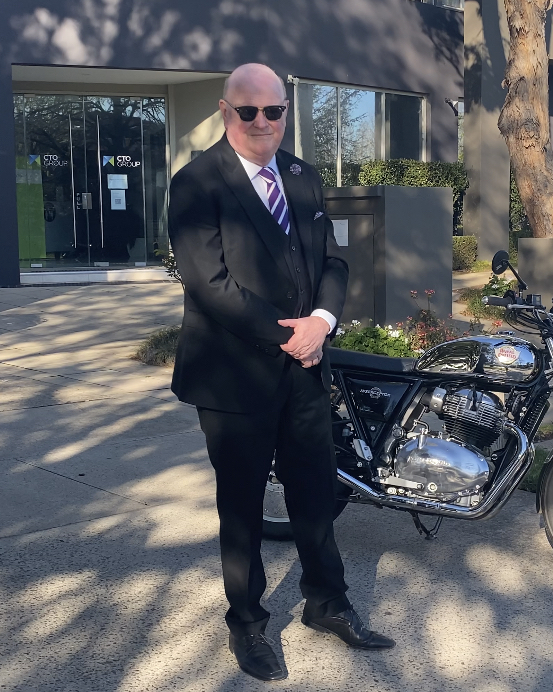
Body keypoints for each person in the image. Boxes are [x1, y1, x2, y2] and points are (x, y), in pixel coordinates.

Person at [168, 63, 394, 682]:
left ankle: (328, 603)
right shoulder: (196, 184)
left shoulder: (301, 176)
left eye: (275, 111)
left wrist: (321, 319)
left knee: (316, 492)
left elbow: (333, 261)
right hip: (234, 377)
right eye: (249, 112)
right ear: (225, 112)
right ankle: (247, 625)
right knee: (240, 507)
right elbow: (209, 284)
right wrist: (286, 335)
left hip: (306, 367)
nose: (263, 122)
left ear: (286, 112)